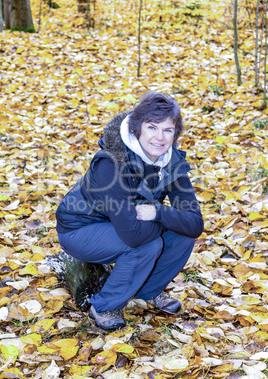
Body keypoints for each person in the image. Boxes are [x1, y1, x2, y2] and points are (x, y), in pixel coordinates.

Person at [56, 91, 204, 330]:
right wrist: (167, 219)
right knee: (148, 245)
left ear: (175, 133)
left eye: (168, 130)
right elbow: (132, 235)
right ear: (138, 128)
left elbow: (195, 224)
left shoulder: (170, 163)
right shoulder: (111, 162)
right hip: (80, 228)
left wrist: (159, 212)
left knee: (183, 234)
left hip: (124, 225)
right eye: (152, 128)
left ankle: (146, 292)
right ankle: (104, 306)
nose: (160, 137)